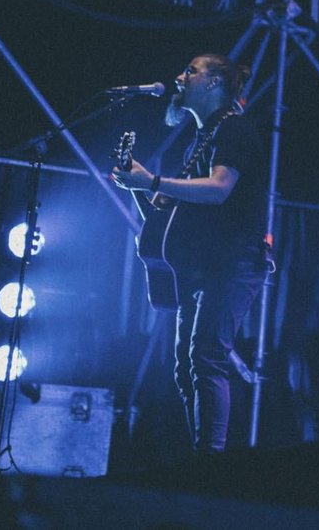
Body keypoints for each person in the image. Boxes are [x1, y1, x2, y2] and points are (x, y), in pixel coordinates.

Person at [113, 54, 270, 453]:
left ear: (214, 82)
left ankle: (209, 462)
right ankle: (202, 453)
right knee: (186, 368)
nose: (180, 77)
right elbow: (167, 216)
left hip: (234, 263)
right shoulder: (201, 141)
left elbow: (219, 189)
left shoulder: (233, 128)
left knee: (206, 359)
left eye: (191, 71)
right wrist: (139, 187)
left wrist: (154, 181)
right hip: (203, 268)